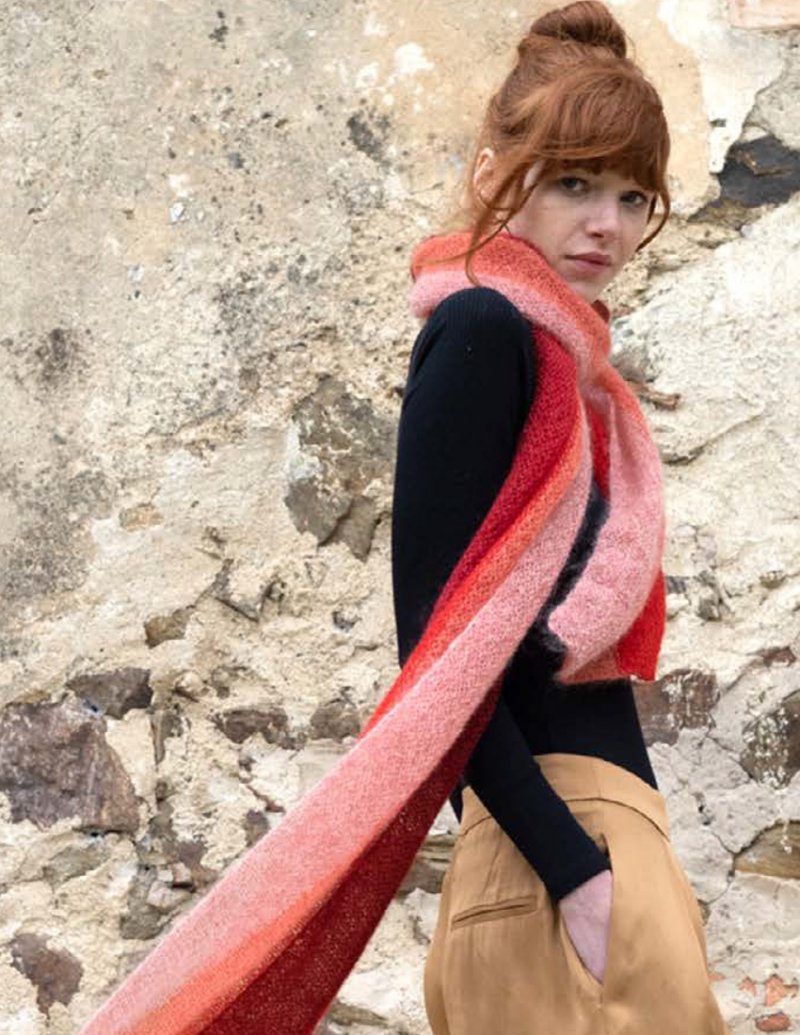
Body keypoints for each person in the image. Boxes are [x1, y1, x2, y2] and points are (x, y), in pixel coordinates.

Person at [391, 2, 732, 1032]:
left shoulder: (571, 376)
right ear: (496, 174)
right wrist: (572, 873)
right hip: (568, 856)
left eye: (632, 196)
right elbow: (434, 653)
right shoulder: (483, 329)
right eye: (574, 183)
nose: (607, 225)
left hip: (595, 841)